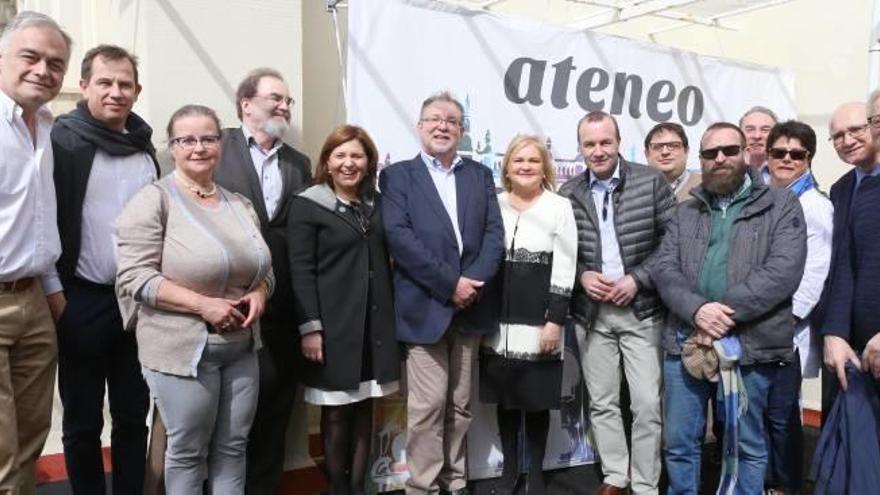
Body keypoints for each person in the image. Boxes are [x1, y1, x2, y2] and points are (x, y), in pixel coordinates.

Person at [115, 104, 274, 494]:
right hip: (181, 349)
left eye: (208, 138)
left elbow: (264, 268)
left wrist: (260, 292)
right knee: (187, 451)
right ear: (171, 147)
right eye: (187, 140)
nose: (198, 147)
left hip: (240, 347)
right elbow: (135, 277)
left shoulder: (240, 204)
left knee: (233, 448)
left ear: (221, 144)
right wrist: (204, 305)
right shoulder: (152, 201)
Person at [654, 122, 806, 495]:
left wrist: (722, 314)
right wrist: (698, 310)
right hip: (687, 342)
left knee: (748, 447)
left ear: (745, 154)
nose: (720, 158)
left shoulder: (780, 204)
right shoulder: (684, 212)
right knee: (679, 445)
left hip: (751, 345)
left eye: (729, 150)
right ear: (700, 160)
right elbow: (664, 269)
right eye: (710, 153)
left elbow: (783, 272)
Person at [380, 91, 504, 495]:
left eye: (451, 120)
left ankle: (456, 482)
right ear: (419, 127)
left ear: (462, 130)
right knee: (427, 407)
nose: (442, 126)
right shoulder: (397, 176)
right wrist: (450, 284)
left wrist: (472, 283)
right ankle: (423, 487)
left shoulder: (480, 175)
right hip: (424, 308)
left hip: (470, 310)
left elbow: (493, 236)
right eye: (434, 119)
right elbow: (400, 238)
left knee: (461, 407)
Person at [50, 44, 157, 495]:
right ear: (84, 86)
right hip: (83, 300)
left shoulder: (145, 148)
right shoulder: (63, 142)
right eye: (105, 83)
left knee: (134, 416)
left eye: (125, 84)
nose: (116, 92)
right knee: (82, 422)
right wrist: (59, 298)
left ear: (137, 90)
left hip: (138, 304)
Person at [558, 111, 676, 495]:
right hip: (591, 314)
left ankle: (644, 484)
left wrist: (636, 279)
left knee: (645, 403)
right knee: (603, 402)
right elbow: (561, 250)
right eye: (589, 144)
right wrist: (581, 275)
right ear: (580, 148)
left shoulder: (651, 181)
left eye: (605, 142)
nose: (598, 151)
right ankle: (614, 474)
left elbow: (672, 243)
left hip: (641, 310)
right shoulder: (568, 193)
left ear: (619, 142)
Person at [212, 67, 312, 494]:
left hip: (281, 309)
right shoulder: (216, 148)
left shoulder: (299, 164)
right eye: (276, 97)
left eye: (288, 100)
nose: (284, 106)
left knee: (273, 416)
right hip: (223, 306)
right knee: (223, 421)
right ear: (245, 104)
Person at [288, 125, 399, 495]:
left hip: (374, 328)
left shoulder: (378, 204)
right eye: (341, 155)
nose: (349, 163)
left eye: (357, 155)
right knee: (336, 414)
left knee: (365, 410)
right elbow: (300, 270)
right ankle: (338, 488)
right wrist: (311, 328)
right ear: (327, 161)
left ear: (369, 162)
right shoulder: (308, 204)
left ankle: (358, 487)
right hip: (333, 328)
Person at [479, 135, 577, 495]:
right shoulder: (494, 204)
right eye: (518, 160)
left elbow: (565, 268)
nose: (525, 166)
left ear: (544, 168)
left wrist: (555, 320)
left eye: (533, 161)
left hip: (541, 321)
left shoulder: (558, 207)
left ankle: (535, 473)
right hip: (497, 323)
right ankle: (509, 473)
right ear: (506, 166)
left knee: (536, 402)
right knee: (506, 401)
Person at [0, 11, 71, 495]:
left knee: (29, 441)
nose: (43, 70)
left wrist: (51, 289)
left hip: (35, 303)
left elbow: (37, 216)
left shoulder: (46, 128)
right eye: (31, 57)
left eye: (55, 63)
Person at [763, 120, 832, 494]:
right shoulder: (764, 197)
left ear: (808, 159)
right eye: (779, 153)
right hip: (758, 326)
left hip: (787, 329)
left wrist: (789, 317)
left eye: (796, 154)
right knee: (760, 413)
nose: (787, 159)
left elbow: (817, 270)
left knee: (781, 415)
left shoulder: (815, 206)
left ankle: (784, 486)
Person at [815, 97, 880, 413]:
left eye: (856, 129)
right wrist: (834, 332)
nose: (847, 140)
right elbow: (841, 267)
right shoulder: (841, 189)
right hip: (850, 352)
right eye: (838, 135)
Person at [644, 122, 701, 202]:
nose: (665, 152)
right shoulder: (633, 190)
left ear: (686, 151)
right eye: (657, 146)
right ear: (647, 154)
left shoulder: (705, 187)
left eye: (673, 145)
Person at [739, 106, 778, 180]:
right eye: (750, 130)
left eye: (765, 130)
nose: (757, 136)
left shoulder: (785, 170)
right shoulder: (730, 169)